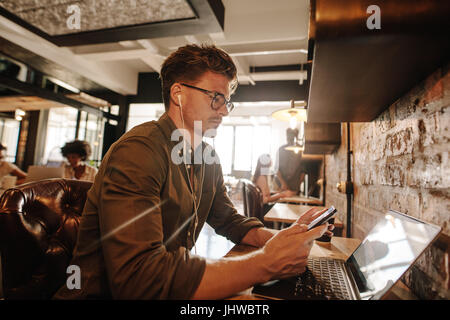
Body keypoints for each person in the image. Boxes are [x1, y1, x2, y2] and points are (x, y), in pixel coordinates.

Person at [53, 44, 333, 300]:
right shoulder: (139, 150)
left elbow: (228, 220)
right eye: (215, 98)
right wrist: (267, 263)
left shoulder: (206, 157)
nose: (224, 111)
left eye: (227, 101)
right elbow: (138, 280)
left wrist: (281, 239)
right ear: (178, 94)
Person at [275, 128, 305, 194]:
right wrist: (283, 183)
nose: (289, 140)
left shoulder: (301, 150)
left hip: (295, 186)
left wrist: (298, 185)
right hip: (281, 186)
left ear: (296, 137)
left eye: (292, 138)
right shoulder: (281, 150)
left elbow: (303, 171)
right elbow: (276, 169)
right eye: (288, 138)